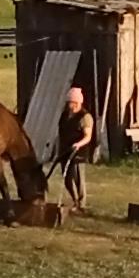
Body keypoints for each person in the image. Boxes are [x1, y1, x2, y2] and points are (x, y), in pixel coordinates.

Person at [53, 79, 95, 209]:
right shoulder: (64, 115)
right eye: (70, 103)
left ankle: (81, 204)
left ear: (78, 103)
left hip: (78, 152)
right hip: (65, 150)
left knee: (78, 179)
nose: (72, 105)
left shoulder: (85, 117)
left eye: (74, 103)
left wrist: (78, 144)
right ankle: (75, 200)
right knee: (67, 180)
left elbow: (88, 136)